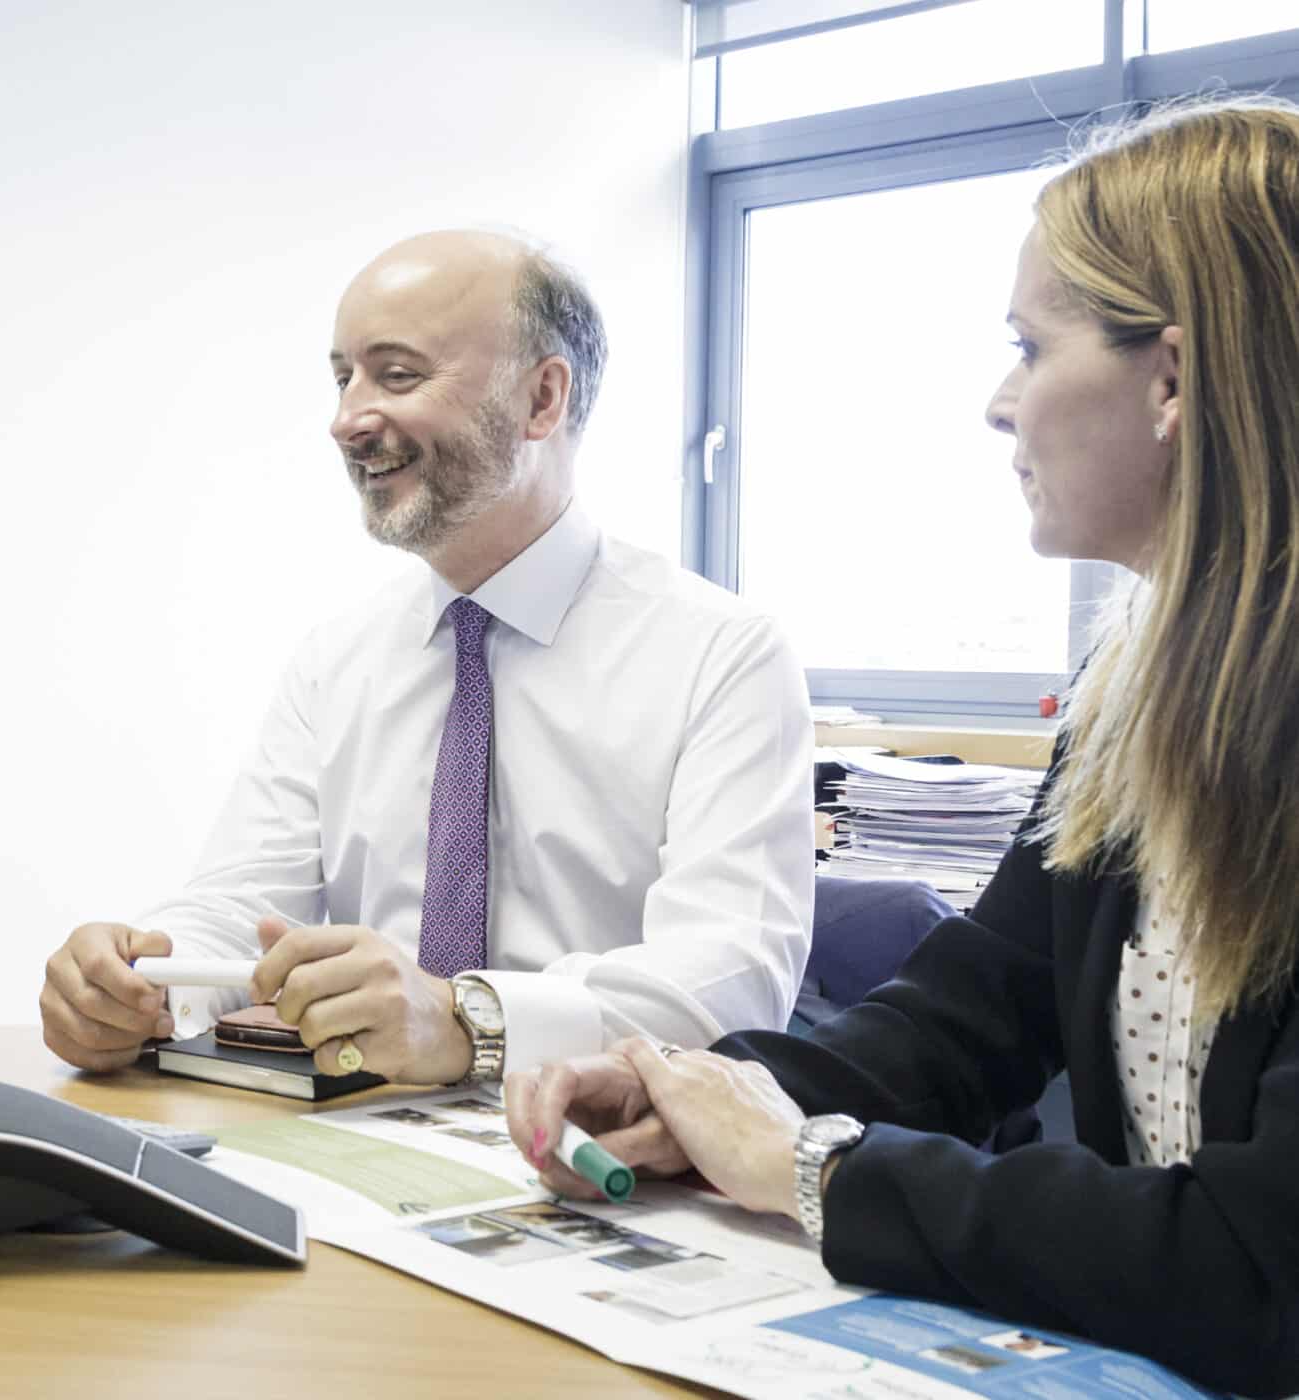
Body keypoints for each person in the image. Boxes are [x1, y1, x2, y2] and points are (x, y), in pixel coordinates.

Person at [505, 96, 1299, 1397]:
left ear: (1172, 379)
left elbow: (1260, 1268)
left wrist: (818, 1170)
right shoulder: (1133, 691)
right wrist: (697, 1094)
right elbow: (976, 1008)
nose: (1000, 406)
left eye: (1030, 349)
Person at [41, 230, 815, 1087]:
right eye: (343, 378)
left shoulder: (722, 656)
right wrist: (143, 978)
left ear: (541, 400)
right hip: (355, 1140)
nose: (346, 421)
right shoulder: (338, 659)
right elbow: (243, 906)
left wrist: (465, 1024)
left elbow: (728, 987)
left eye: (397, 375)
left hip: (612, 1153)